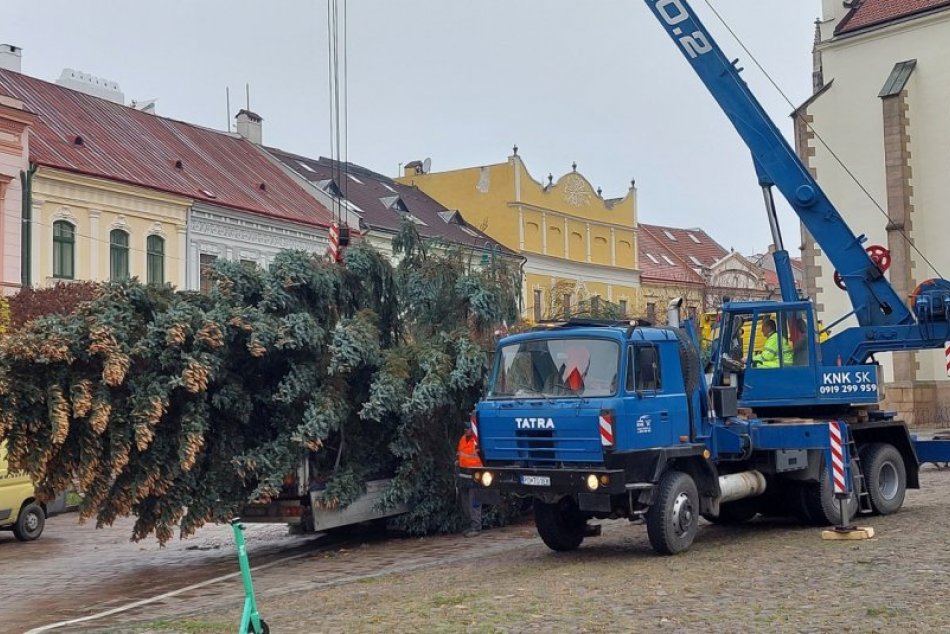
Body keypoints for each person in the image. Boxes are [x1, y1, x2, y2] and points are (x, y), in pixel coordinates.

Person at [457, 421, 483, 537]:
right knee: (466, 501)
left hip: (476, 474)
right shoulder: (463, 439)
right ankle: (470, 525)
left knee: (474, 502)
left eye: (468, 429)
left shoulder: (477, 441)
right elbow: (460, 455)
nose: (466, 431)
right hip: (464, 474)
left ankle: (476, 527)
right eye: (465, 429)